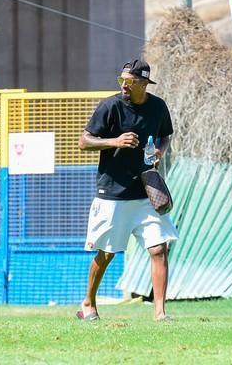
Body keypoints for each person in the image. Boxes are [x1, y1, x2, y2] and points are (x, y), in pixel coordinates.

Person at [77, 59, 178, 321]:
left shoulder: (158, 107)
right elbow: (83, 141)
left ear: (144, 83)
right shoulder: (110, 106)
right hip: (113, 192)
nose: (124, 85)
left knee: (158, 249)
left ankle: (160, 313)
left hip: (146, 191)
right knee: (107, 253)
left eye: (130, 81)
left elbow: (166, 134)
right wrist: (115, 141)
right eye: (121, 80)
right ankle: (88, 303)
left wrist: (160, 150)